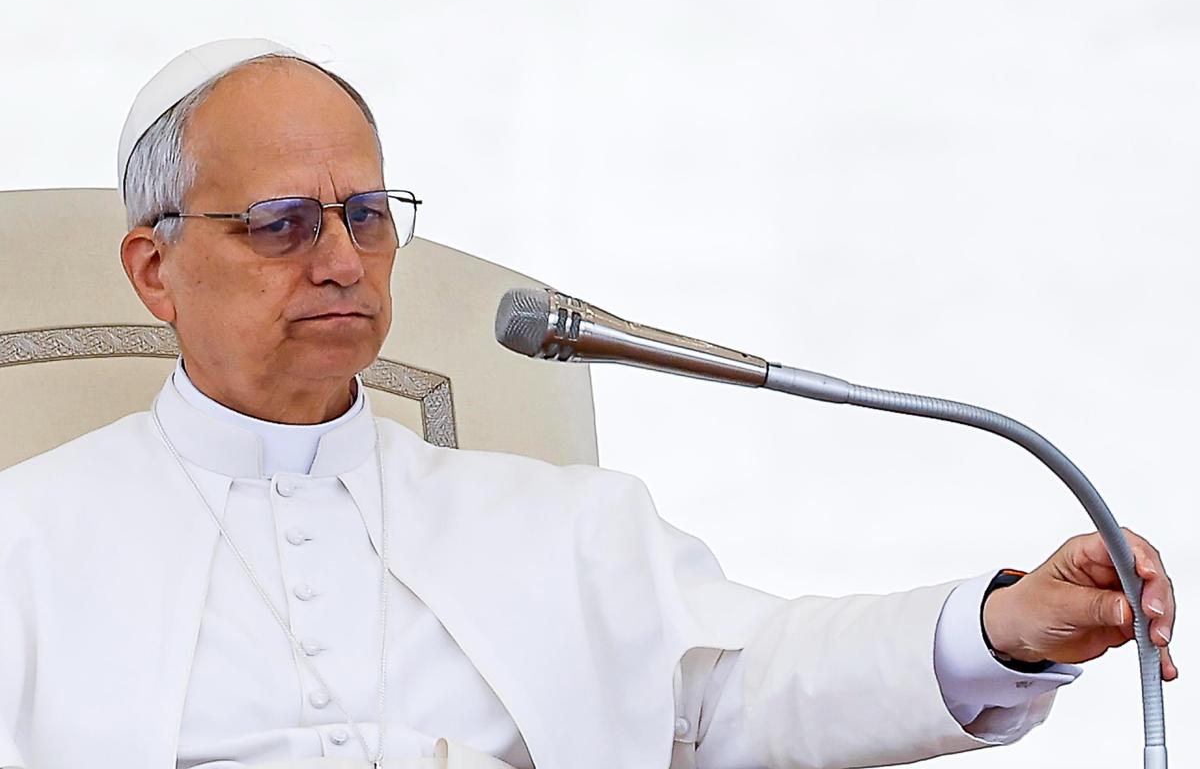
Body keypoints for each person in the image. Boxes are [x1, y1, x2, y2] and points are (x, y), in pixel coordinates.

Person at [0, 38, 1177, 769]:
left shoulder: (556, 522)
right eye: (281, 224)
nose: (344, 260)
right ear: (153, 270)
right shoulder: (27, 542)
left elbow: (743, 688)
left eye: (364, 213)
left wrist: (1003, 626)